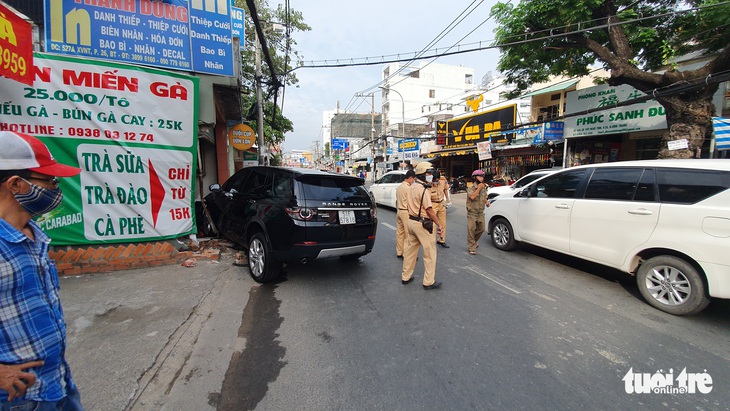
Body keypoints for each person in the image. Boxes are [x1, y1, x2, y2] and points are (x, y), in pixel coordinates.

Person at [0, 131, 84, 410]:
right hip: (19, 397)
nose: (55, 189)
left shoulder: (33, 234)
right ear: (15, 184)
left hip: (56, 379)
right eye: (49, 181)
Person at [401, 162, 445, 290]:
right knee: (430, 253)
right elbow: (429, 210)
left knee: (410, 252)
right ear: (422, 174)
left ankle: (406, 276)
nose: (430, 176)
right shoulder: (424, 189)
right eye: (429, 173)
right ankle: (428, 281)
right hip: (422, 224)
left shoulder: (411, 187)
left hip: (411, 222)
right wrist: (439, 223)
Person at [466, 169, 490, 255]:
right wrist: (479, 188)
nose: (481, 178)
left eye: (482, 176)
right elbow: (472, 197)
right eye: (479, 176)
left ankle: (474, 241)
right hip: (472, 212)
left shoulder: (483, 187)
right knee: (471, 229)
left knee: (481, 228)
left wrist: (487, 202)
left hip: (480, 211)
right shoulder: (471, 187)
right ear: (475, 177)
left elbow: (484, 196)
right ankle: (471, 247)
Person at [395, 170, 416, 258]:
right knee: (408, 234)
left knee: (400, 233)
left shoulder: (399, 187)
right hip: (406, 212)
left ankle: (399, 251)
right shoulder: (408, 188)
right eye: (413, 179)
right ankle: (406, 253)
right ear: (410, 178)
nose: (413, 181)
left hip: (399, 211)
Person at [429, 170, 451, 248]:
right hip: (432, 203)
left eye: (437, 180)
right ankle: (431, 240)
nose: (435, 182)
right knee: (433, 223)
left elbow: (445, 189)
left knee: (442, 223)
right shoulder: (429, 182)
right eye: (434, 181)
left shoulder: (443, 180)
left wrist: (448, 199)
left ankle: (441, 240)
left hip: (441, 202)